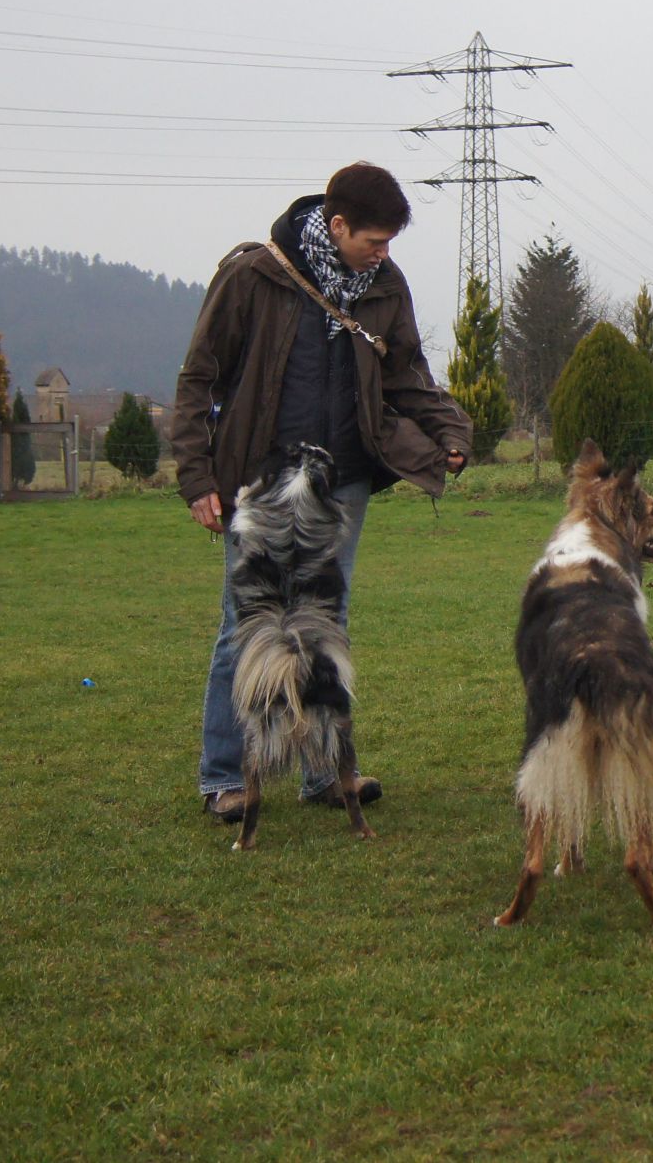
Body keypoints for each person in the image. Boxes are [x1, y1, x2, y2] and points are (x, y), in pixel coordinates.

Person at [172, 162, 472, 824]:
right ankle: (224, 777)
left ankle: (324, 777)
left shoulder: (385, 286)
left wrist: (450, 429)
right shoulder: (253, 275)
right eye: (375, 239)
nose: (384, 252)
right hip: (260, 477)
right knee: (244, 628)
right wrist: (197, 478)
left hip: (346, 481)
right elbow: (198, 378)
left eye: (392, 241)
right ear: (336, 225)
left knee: (322, 628)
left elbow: (408, 375)